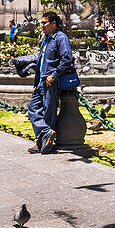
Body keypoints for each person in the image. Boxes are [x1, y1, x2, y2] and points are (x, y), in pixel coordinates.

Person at [11, 11, 75, 154]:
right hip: (40, 80)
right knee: (33, 108)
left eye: (44, 23)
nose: (41, 25)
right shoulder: (45, 38)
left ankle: (42, 143)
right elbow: (39, 57)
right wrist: (21, 60)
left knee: (49, 112)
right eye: (41, 23)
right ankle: (45, 133)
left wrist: (54, 75)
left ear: (53, 24)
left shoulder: (60, 38)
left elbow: (66, 59)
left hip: (51, 81)